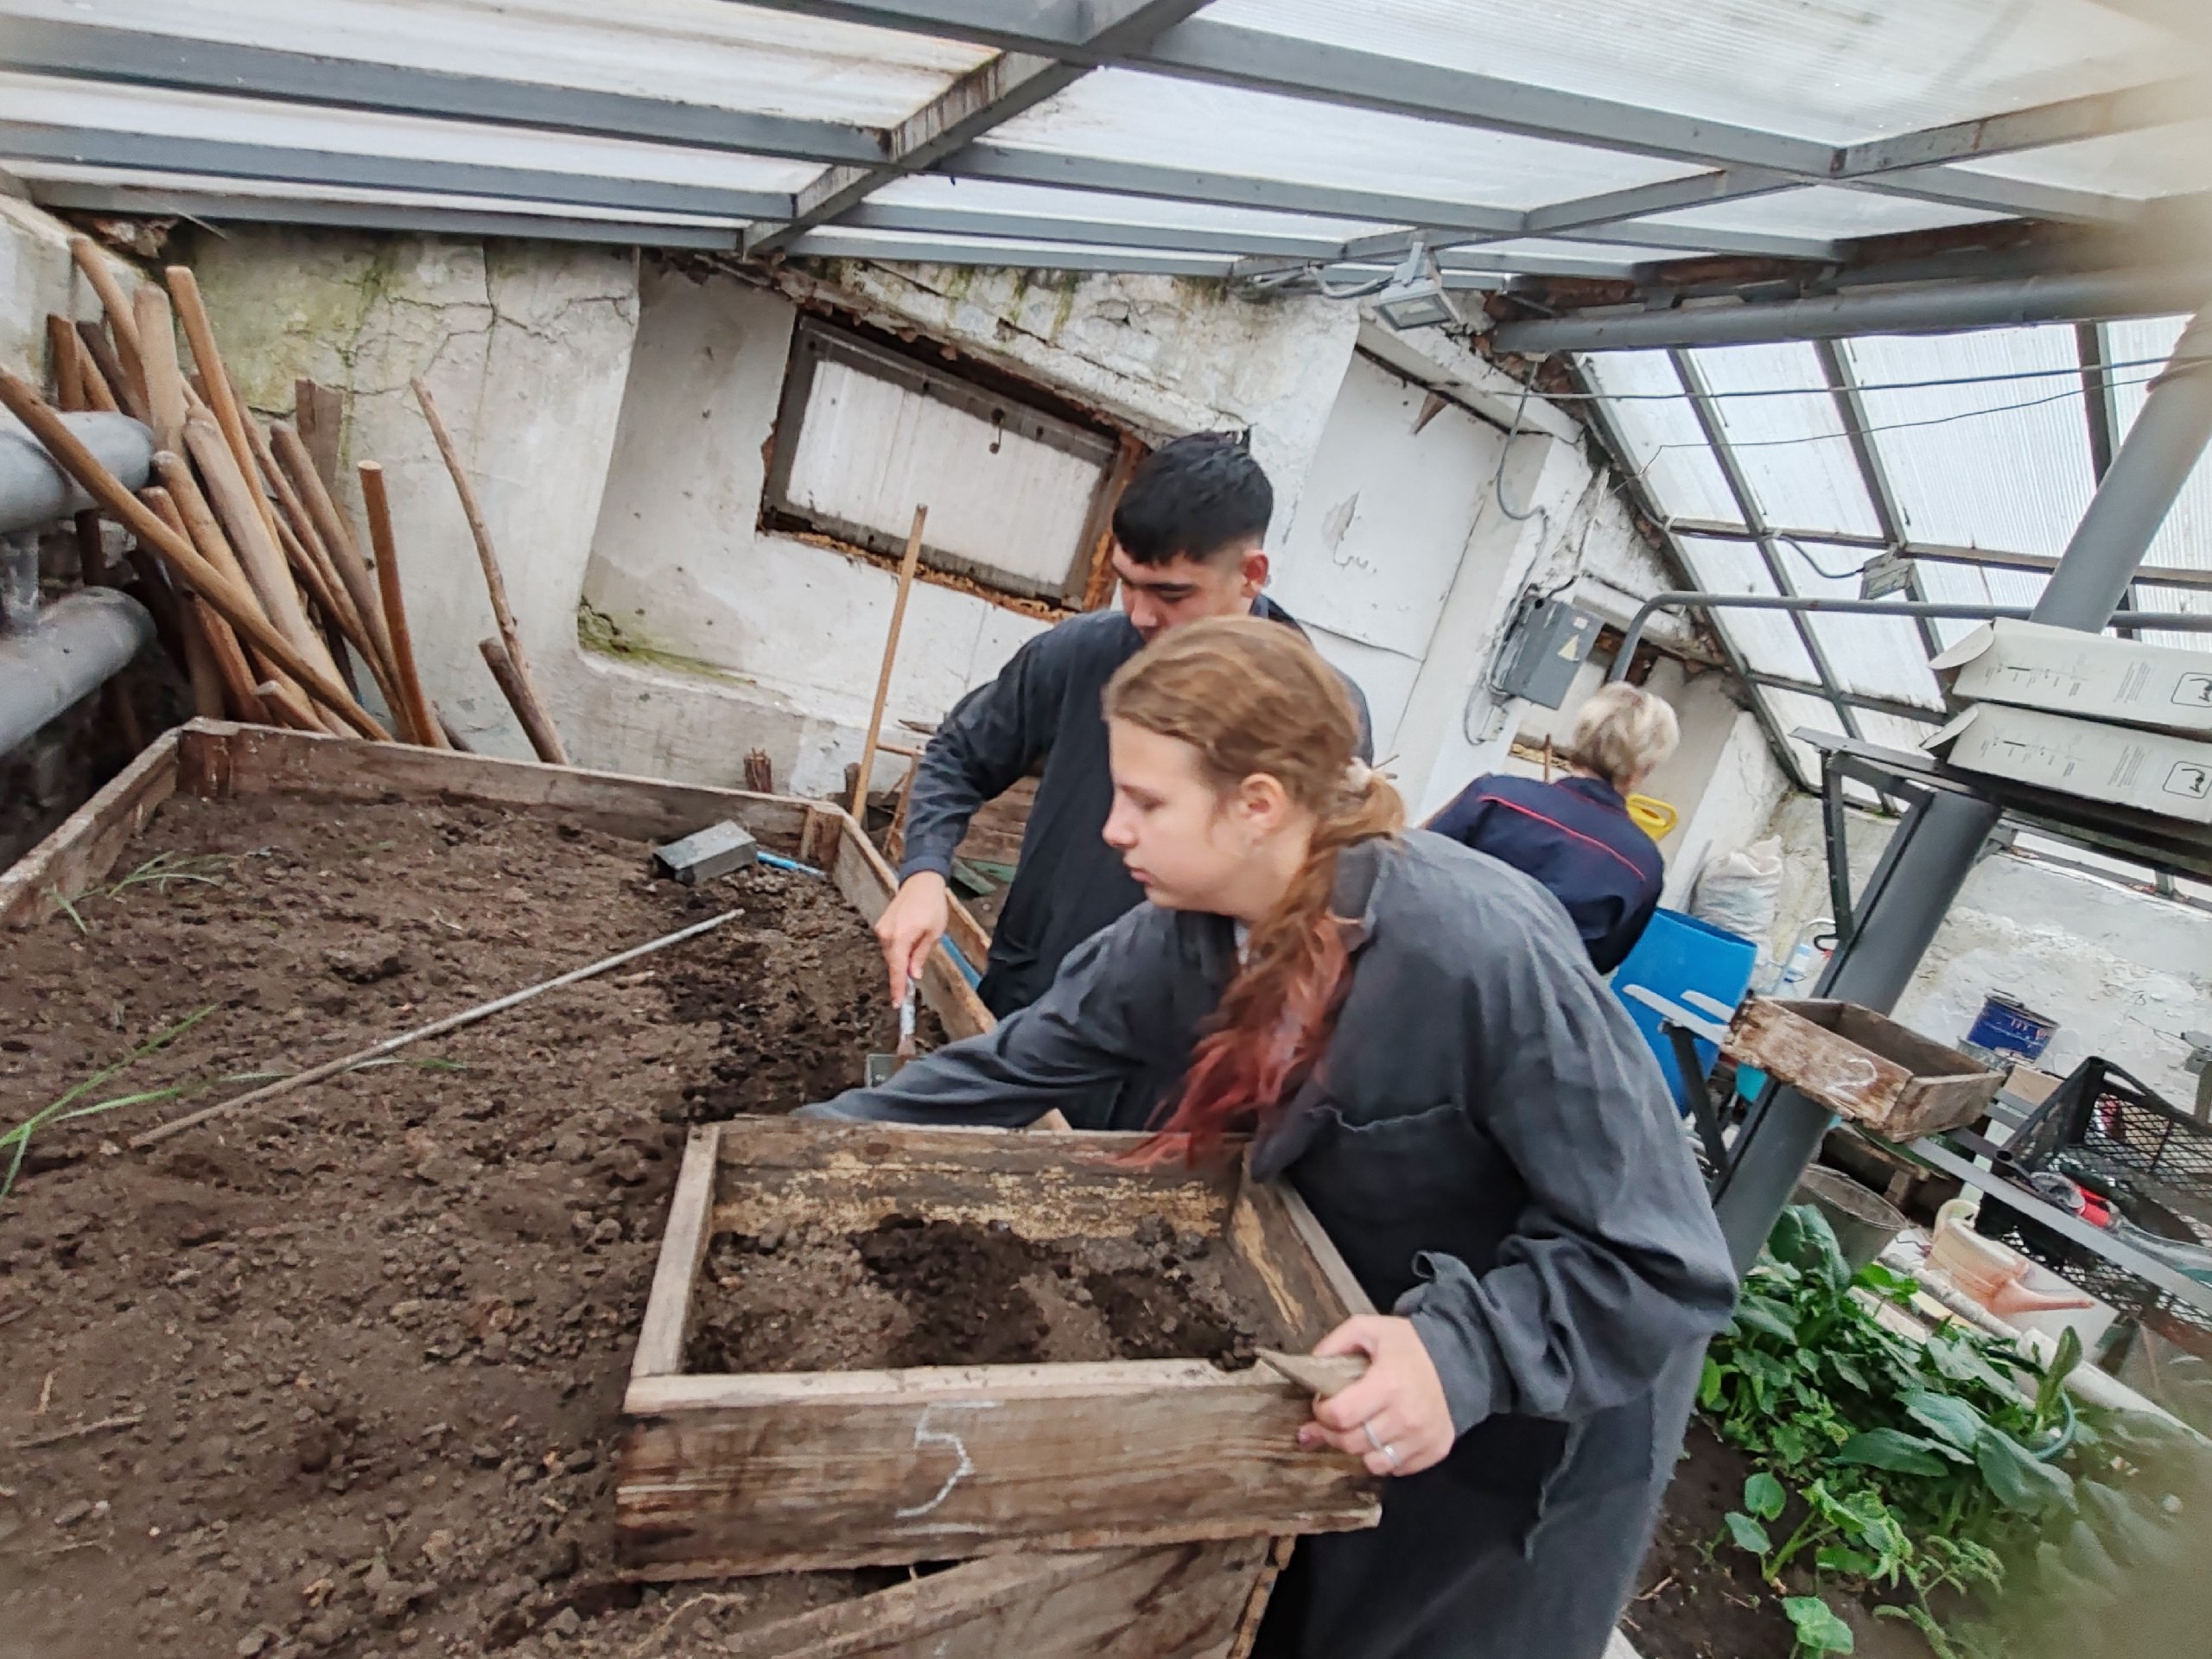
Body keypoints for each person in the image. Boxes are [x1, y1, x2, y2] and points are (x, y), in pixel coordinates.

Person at [803, 618, 1738, 1659]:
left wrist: (1462, 1353)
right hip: (1352, 1366)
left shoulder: (1478, 953)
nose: (1111, 829)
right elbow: (1008, 1068)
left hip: (1533, 1414)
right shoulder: (1183, 937)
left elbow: (1663, 1259)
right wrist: (797, 1151)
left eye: (1146, 802)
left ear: (1255, 806)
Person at [874, 430, 1370, 1022]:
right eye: (1126, 581)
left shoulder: (1319, 712)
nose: (1139, 613)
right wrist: (924, 872)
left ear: (1251, 574)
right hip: (1030, 997)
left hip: (1175, 1042)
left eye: (1171, 593)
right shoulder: (1082, 654)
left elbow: (1319, 900)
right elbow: (959, 752)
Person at [1426, 682, 1678, 973]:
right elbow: (1599, 963)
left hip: (1427, 969)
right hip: (1523, 1006)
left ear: (1580, 738)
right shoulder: (1643, 866)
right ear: (1643, 769)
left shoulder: (1495, 796)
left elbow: (1413, 870)